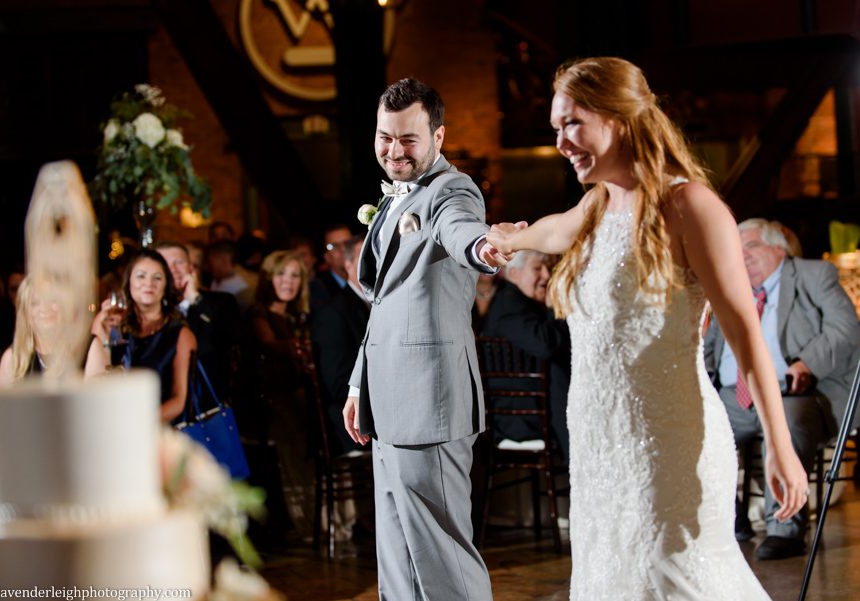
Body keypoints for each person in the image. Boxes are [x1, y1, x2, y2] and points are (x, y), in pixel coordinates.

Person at [485, 57, 807, 599]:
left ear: (619, 117)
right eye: (555, 128)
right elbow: (549, 230)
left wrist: (780, 442)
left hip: (668, 445)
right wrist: (508, 239)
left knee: (676, 579)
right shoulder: (595, 206)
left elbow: (746, 333)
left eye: (571, 123)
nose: (561, 141)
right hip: (598, 445)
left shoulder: (691, 206)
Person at [343, 78, 501, 601]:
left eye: (408, 139)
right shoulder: (392, 199)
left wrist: (482, 246)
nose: (394, 151)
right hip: (387, 404)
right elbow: (385, 305)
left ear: (438, 136)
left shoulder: (451, 190)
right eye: (385, 138)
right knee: (398, 559)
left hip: (430, 404)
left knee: (442, 559)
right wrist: (359, 388)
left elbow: (460, 230)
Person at [704, 218, 860, 559]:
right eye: (737, 249)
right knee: (696, 426)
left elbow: (845, 329)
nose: (742, 256)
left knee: (787, 423)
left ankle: (784, 529)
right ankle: (729, 521)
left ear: (780, 247)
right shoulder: (730, 287)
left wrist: (808, 364)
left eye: (752, 246)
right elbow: (708, 346)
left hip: (796, 391)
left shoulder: (813, 275)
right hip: (735, 394)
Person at [243, 250, 313, 539]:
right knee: (294, 455)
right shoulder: (259, 314)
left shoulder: (298, 316)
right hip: (270, 403)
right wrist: (300, 348)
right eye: (281, 274)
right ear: (268, 278)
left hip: (301, 399)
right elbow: (268, 344)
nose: (288, 281)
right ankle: (304, 523)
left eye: (295, 275)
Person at [86, 249, 197, 424]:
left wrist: (136, 425)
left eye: (157, 278)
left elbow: (179, 400)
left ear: (165, 285)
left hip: (158, 430)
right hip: (111, 422)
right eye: (141, 276)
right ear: (128, 282)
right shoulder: (110, 323)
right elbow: (93, 384)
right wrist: (104, 338)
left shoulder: (181, 334)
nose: (149, 283)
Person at [480, 250, 571, 461]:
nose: (547, 276)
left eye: (549, 268)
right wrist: (553, 308)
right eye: (537, 268)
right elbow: (547, 346)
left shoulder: (520, 302)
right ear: (514, 273)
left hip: (537, 408)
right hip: (520, 417)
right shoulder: (508, 306)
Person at [156, 241, 240, 402]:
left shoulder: (222, 302)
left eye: (179, 262)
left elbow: (226, 342)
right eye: (165, 264)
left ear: (191, 268)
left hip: (210, 405)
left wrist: (195, 300)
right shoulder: (152, 312)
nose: (173, 269)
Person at [311, 235, 369, 455]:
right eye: (366, 257)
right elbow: (338, 384)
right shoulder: (333, 313)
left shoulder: (385, 305)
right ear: (348, 264)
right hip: (353, 424)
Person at [0, 276, 61, 384]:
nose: (44, 308)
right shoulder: (12, 360)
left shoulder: (87, 352)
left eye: (52, 300)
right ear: (25, 314)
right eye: (35, 303)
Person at [309, 224, 354, 313]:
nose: (343, 249)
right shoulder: (316, 293)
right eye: (333, 246)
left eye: (347, 243)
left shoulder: (373, 280)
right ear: (326, 256)